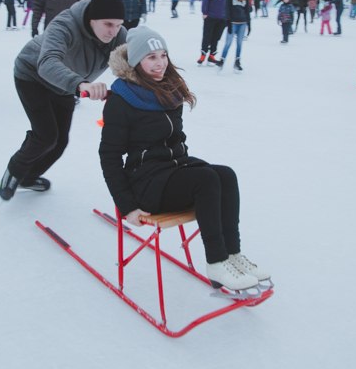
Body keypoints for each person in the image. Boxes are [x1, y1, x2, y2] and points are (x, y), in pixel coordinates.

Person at [98, 25, 272, 292]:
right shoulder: (123, 98)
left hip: (171, 171)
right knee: (205, 179)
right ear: (136, 61)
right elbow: (109, 156)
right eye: (151, 57)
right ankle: (216, 262)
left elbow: (175, 140)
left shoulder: (168, 90)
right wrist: (127, 205)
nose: (159, 64)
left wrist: (184, 168)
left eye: (163, 55)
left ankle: (232, 255)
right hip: (144, 184)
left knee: (225, 174)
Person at [0, 0, 127, 200]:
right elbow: (47, 63)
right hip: (32, 76)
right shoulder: (65, 24)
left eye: (119, 24)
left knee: (59, 142)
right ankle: (14, 170)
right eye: (108, 24)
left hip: (68, 84)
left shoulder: (118, 36)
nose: (114, 32)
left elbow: (133, 63)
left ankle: (28, 178)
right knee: (46, 136)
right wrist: (81, 85)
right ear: (93, 18)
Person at [198, 0, 231, 64]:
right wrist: (204, 12)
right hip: (211, 17)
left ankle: (211, 56)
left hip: (223, 18)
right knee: (207, 37)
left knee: (216, 38)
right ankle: (203, 55)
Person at [219, 0, 252, 71]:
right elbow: (227, 9)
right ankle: (222, 60)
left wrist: (249, 24)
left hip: (242, 23)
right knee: (228, 43)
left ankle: (237, 62)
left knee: (239, 43)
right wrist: (228, 22)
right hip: (233, 23)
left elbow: (247, 11)